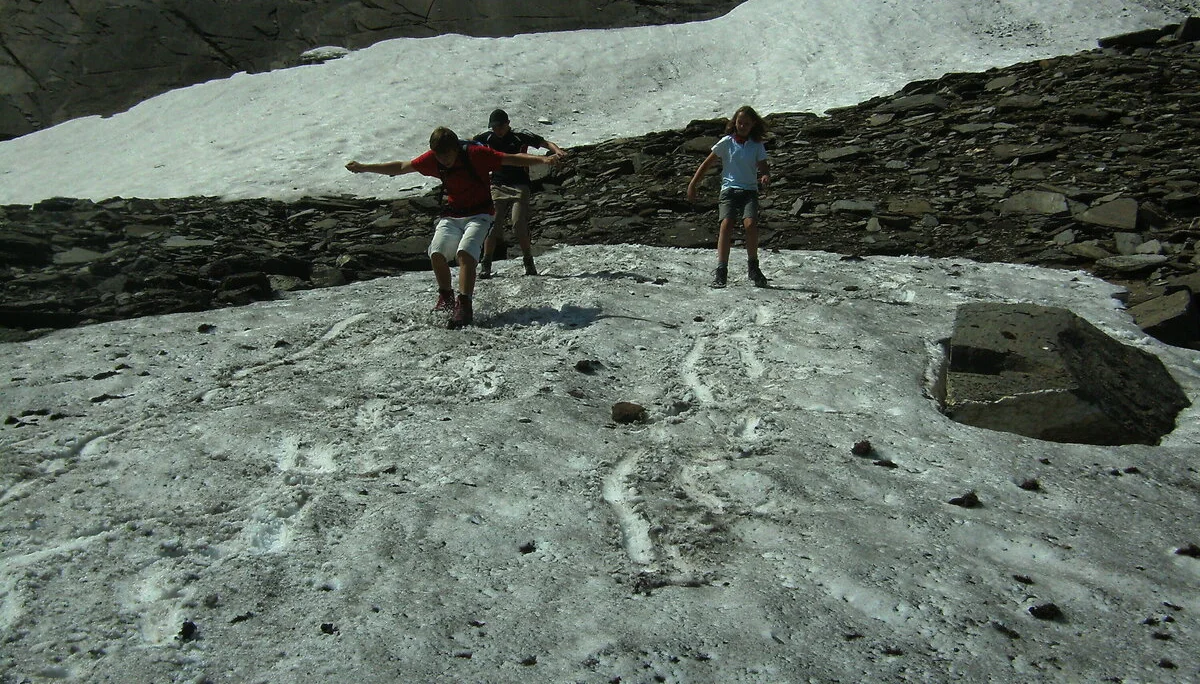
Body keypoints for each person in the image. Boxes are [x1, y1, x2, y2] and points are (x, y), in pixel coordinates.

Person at [346, 127, 560, 328]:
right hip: (453, 214)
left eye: (447, 156)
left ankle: (464, 305)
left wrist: (542, 159)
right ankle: (446, 297)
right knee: (437, 253)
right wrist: (364, 167)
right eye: (439, 156)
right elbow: (402, 167)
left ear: (456, 148)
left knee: (465, 253)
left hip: (481, 214)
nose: (444, 161)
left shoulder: (476, 154)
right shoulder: (434, 158)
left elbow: (509, 159)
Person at [473, 109, 567, 278]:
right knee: (493, 224)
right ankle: (486, 263)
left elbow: (544, 143)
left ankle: (528, 260)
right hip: (497, 185)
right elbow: (470, 144)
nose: (497, 130)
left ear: (507, 124)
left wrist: (557, 150)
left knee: (518, 222)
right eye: (494, 127)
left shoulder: (520, 135)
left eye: (499, 127)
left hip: (520, 184)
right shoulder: (487, 137)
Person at [686, 105, 771, 288]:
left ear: (752, 125)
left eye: (746, 124)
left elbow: (763, 165)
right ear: (735, 122)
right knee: (727, 223)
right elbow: (707, 164)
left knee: (750, 223)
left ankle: (753, 267)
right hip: (729, 190)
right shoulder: (726, 142)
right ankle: (721, 269)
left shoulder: (756, 145)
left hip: (749, 190)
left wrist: (764, 175)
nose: (742, 126)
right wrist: (693, 184)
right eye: (740, 122)